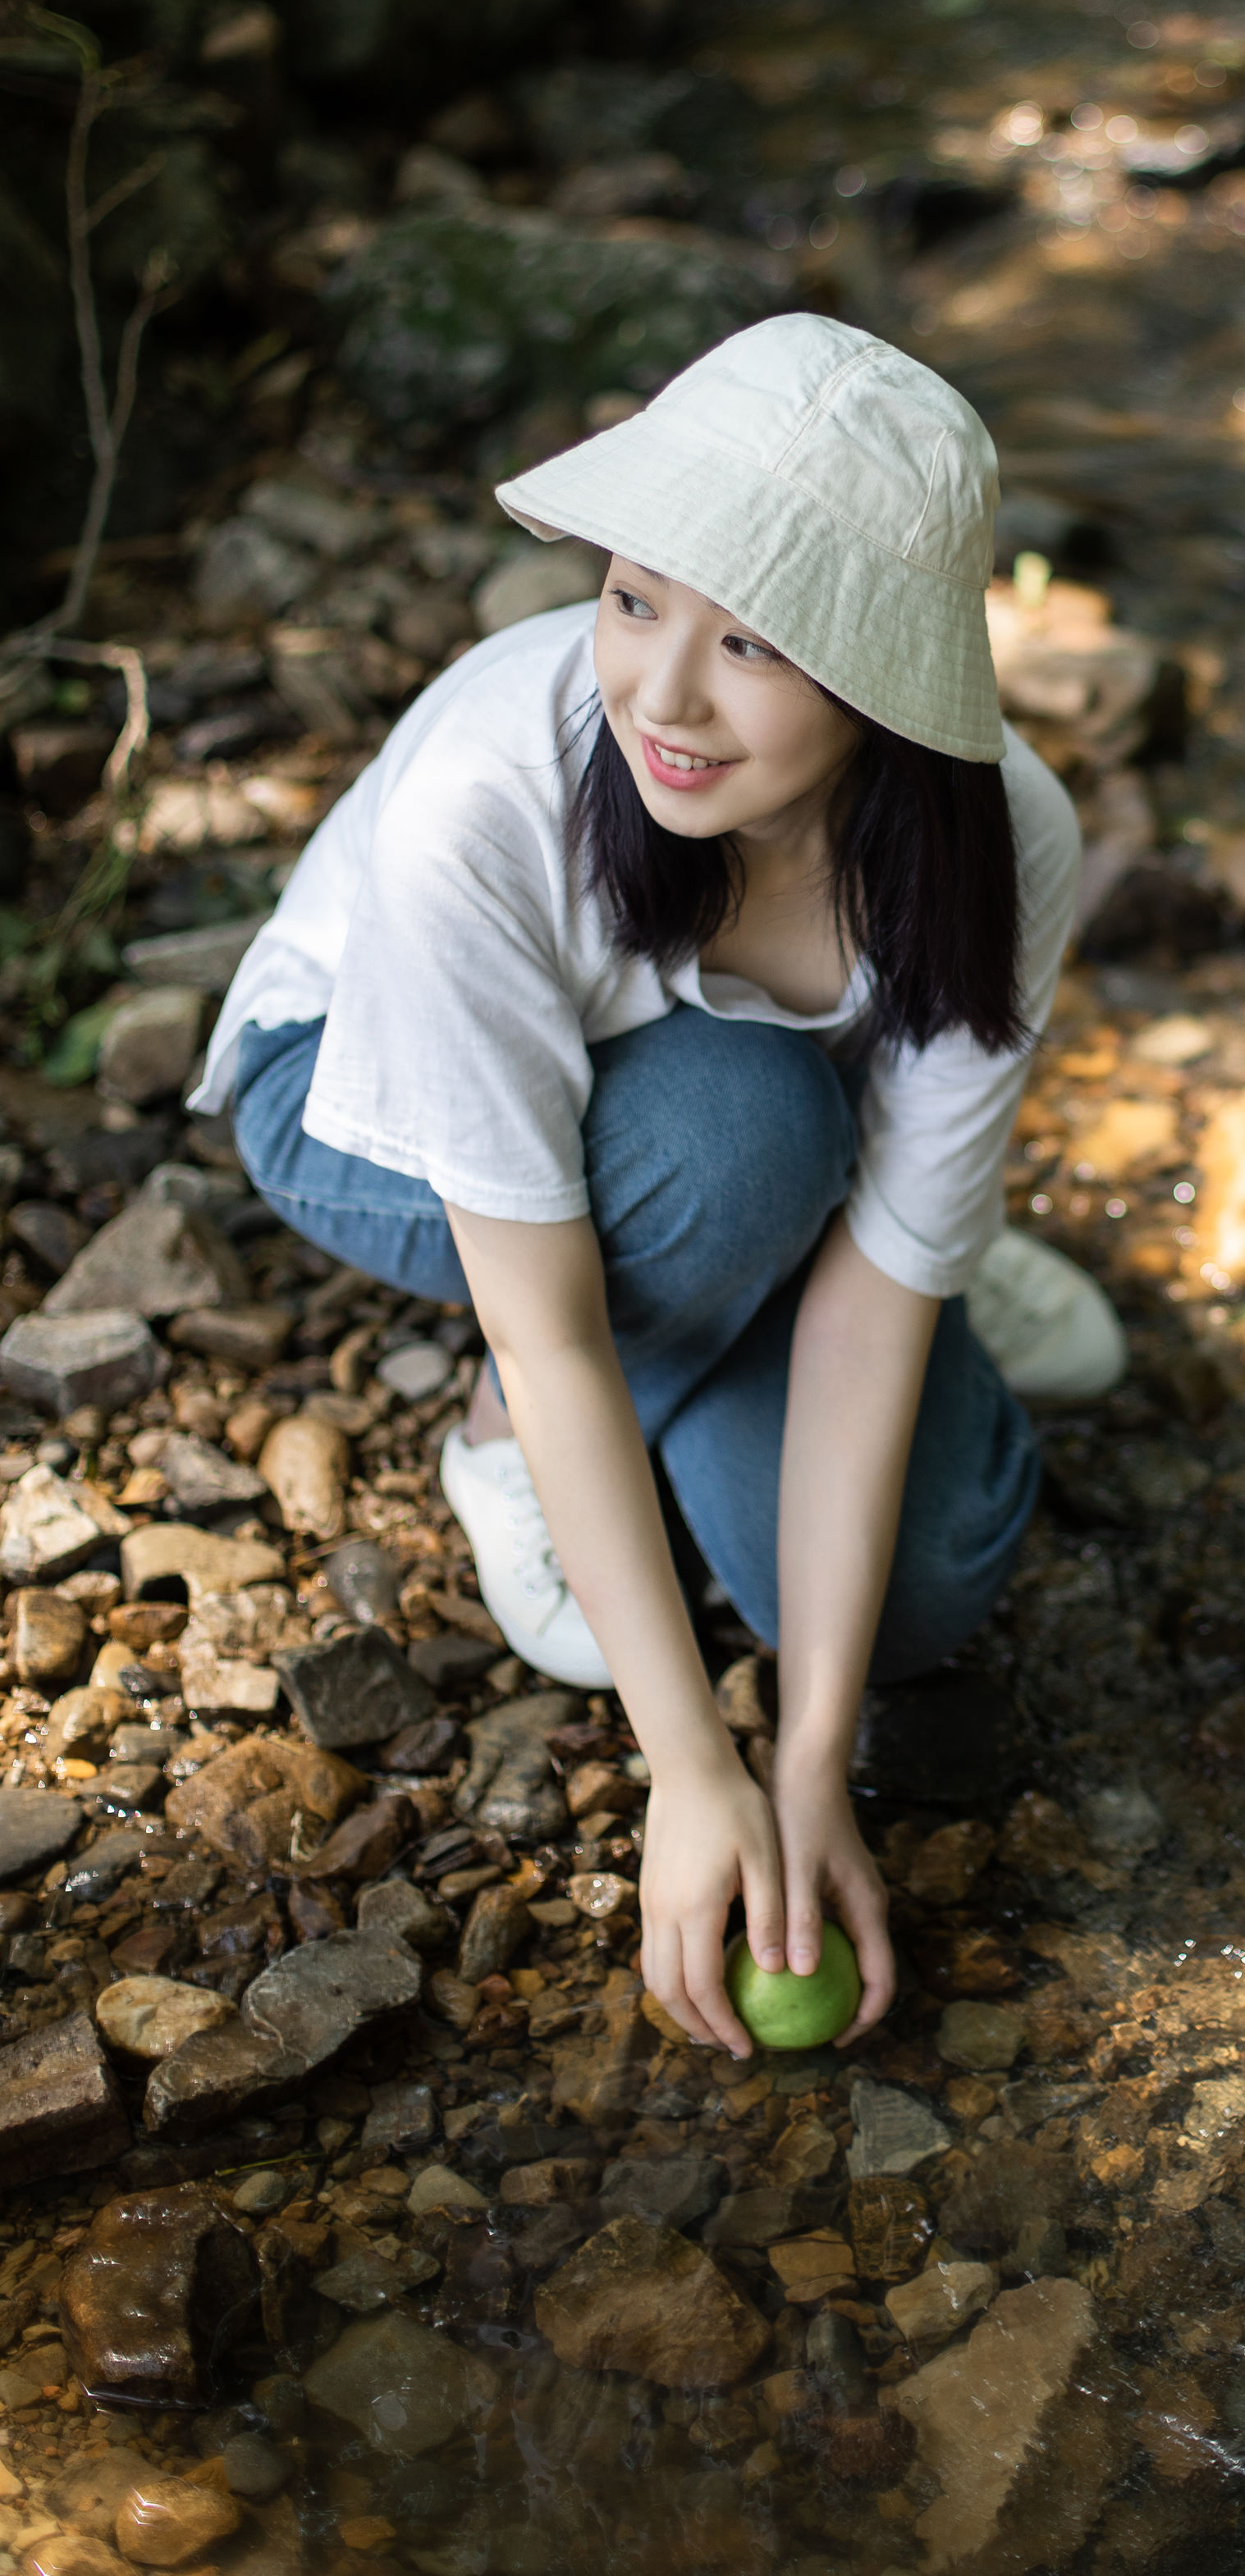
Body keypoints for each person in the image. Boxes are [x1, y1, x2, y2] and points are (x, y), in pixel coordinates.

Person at [191, 313, 1124, 2057]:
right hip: (360, 1099)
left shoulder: (1006, 837)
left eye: (752, 641)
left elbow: (864, 1334)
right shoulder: (494, 790)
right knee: (750, 1130)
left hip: (729, 1154)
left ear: (882, 676)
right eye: (633, 600)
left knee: (926, 1591)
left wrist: (811, 1759)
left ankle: (906, 1216)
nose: (664, 696)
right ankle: (497, 1443)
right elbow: (557, 1334)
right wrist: (693, 1768)